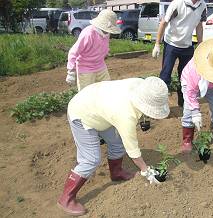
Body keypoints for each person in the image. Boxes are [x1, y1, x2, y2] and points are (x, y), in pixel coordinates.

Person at [57, 76, 170, 216]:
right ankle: (66, 198)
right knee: (91, 159)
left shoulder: (141, 85)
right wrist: (146, 171)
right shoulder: (126, 115)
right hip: (82, 113)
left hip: (100, 107)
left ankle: (116, 173)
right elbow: (133, 150)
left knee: (117, 143)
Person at [152, 0, 207, 107]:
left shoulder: (202, 5)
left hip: (187, 46)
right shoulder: (177, 3)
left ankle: (183, 103)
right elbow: (164, 22)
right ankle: (159, 104)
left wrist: (200, 45)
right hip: (171, 44)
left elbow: (199, 25)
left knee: (186, 77)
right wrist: (157, 44)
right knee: (166, 74)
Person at [65, 9, 121, 91]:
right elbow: (73, 52)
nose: (109, 32)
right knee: (87, 94)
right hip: (85, 69)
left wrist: (104, 52)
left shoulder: (106, 33)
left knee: (107, 90)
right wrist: (71, 71)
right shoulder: (88, 34)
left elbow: (102, 45)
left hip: (100, 66)